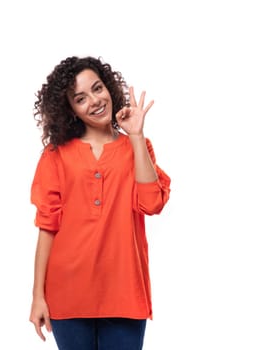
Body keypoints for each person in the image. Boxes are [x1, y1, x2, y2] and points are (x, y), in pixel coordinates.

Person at [28, 55, 171, 350]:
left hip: (124, 292)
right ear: (70, 110)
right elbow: (47, 227)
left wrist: (135, 135)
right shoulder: (56, 155)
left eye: (97, 88)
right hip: (67, 294)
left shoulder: (137, 146)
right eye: (80, 99)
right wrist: (38, 296)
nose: (94, 101)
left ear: (109, 88)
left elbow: (152, 203)